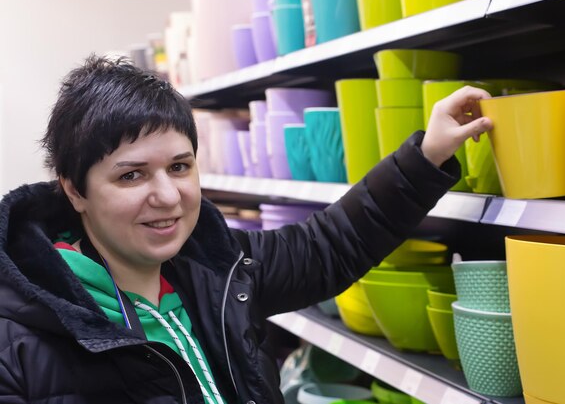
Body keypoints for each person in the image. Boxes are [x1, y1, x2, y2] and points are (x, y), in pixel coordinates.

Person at [0, 55, 492, 404]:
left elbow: (331, 244)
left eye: (179, 166)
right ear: (75, 191)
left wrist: (427, 155)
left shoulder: (218, 267)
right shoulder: (20, 340)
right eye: (131, 175)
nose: (168, 196)